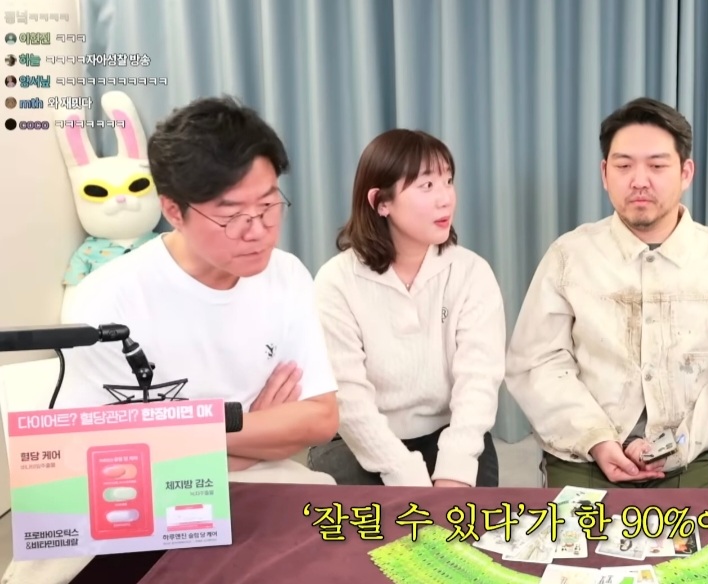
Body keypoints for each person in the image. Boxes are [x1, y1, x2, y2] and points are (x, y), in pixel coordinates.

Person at [5, 97, 341, 584]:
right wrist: (255, 432)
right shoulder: (108, 299)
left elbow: (320, 418)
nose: (258, 231)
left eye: (269, 205)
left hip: (256, 479)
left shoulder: (287, 277)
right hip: (119, 500)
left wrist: (183, 438)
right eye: (231, 215)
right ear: (173, 210)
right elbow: (100, 461)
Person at [505, 97, 708, 489]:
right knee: (582, 533)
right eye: (624, 165)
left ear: (686, 172)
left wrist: (677, 446)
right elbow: (538, 364)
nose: (639, 180)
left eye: (657, 166)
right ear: (604, 173)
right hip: (586, 455)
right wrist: (597, 439)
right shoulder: (569, 257)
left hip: (700, 454)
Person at [307, 129, 505, 487]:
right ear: (381, 202)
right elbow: (349, 398)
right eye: (427, 185)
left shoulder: (472, 272)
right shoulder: (336, 281)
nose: (446, 198)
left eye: (448, 181)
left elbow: (479, 381)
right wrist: (406, 475)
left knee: (466, 519)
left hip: (446, 433)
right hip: (354, 438)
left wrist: (455, 467)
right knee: (373, 523)